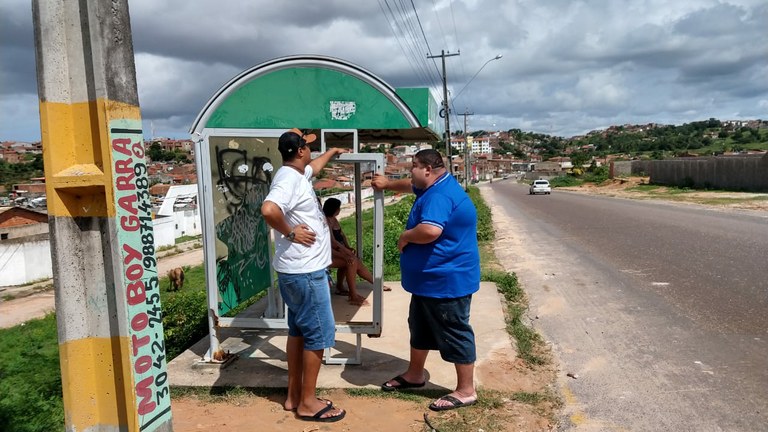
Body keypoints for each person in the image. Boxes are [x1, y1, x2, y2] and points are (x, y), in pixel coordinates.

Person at [372, 149, 481, 412]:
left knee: (454, 331)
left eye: (413, 167)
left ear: (427, 170)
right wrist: (387, 185)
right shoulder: (435, 186)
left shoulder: (439, 196)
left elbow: (431, 230)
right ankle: (415, 374)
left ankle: (466, 390)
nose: (410, 172)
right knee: (419, 327)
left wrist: (406, 236)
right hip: (429, 282)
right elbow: (410, 186)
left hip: (446, 282)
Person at [261, 128, 347, 423]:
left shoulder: (295, 174)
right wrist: (289, 231)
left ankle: (294, 395)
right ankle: (308, 403)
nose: (311, 151)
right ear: (299, 151)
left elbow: (314, 166)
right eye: (308, 147)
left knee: (297, 333)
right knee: (319, 335)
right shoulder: (288, 180)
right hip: (306, 273)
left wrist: (333, 153)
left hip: (295, 272)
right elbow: (269, 209)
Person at [322, 198, 390, 305]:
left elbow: (342, 235)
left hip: (339, 251)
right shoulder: (325, 221)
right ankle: (353, 295)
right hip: (330, 254)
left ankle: (342, 287)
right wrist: (345, 252)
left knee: (353, 260)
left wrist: (347, 247)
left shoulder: (334, 219)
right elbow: (332, 242)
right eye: (338, 208)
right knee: (352, 262)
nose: (339, 210)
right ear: (334, 209)